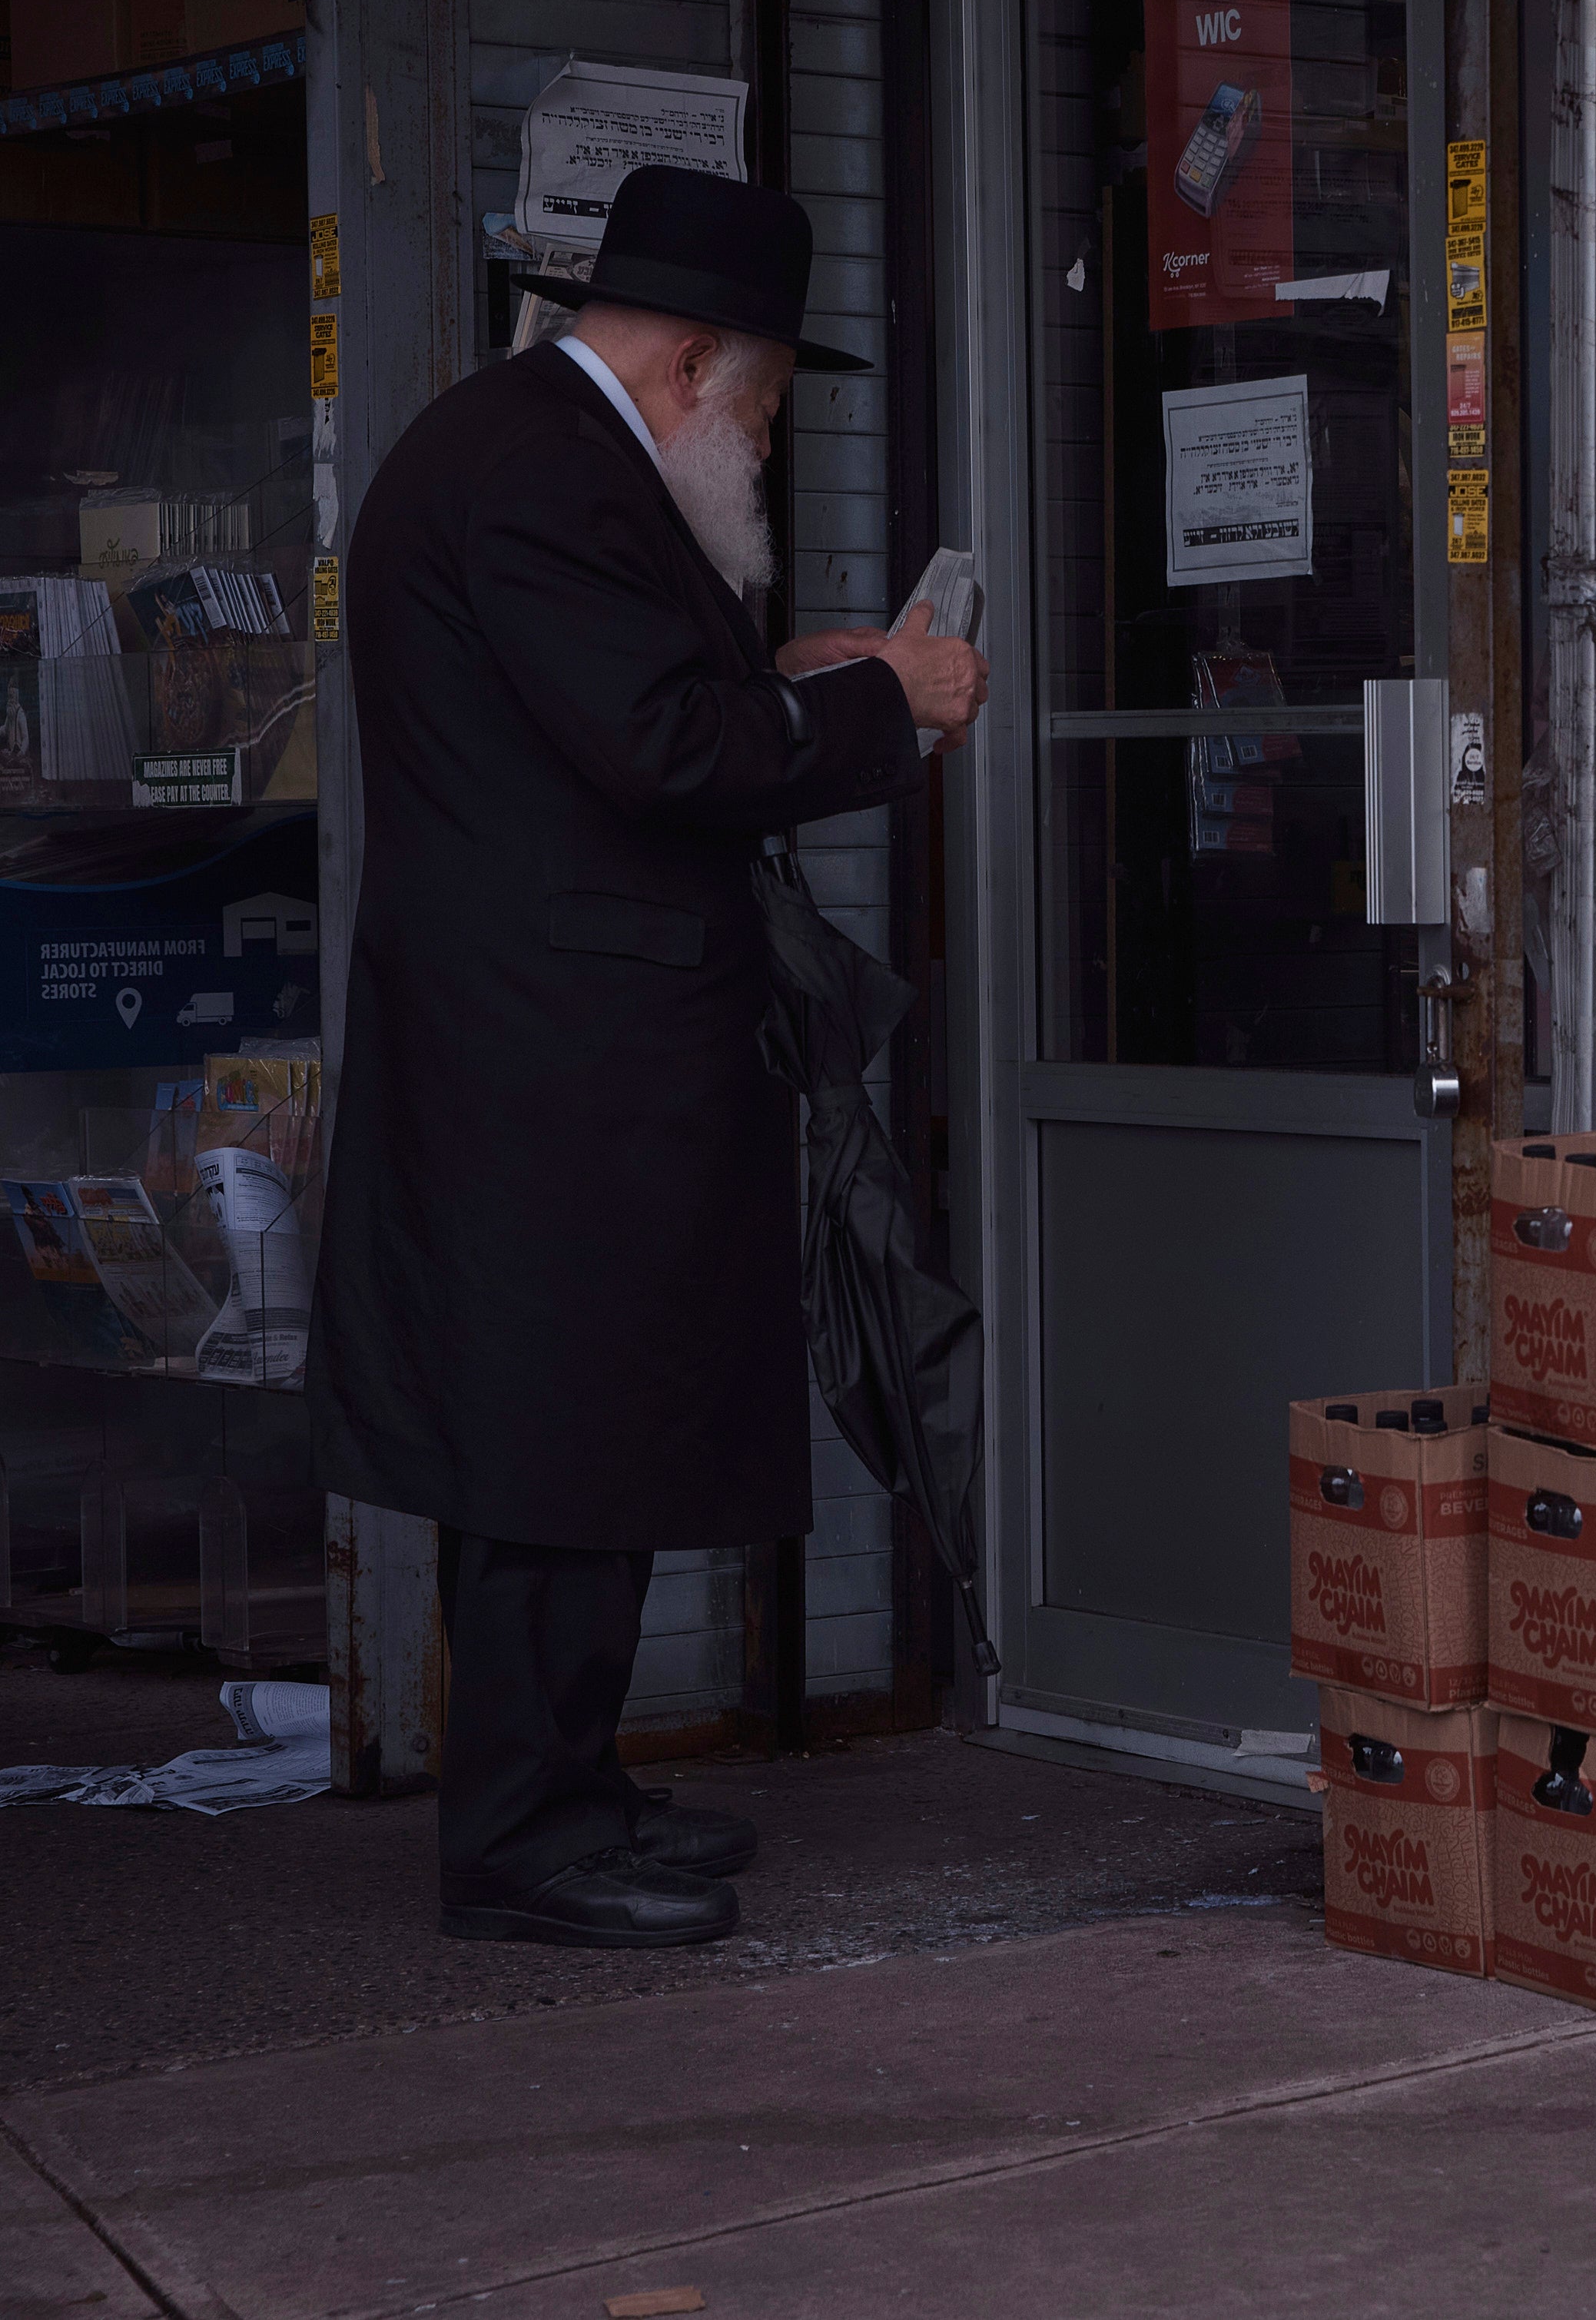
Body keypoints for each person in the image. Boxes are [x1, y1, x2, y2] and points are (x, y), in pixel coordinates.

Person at [311, 165, 988, 1950]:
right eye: (761, 409)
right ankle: (525, 1832)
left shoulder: (527, 449)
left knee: (581, 1429)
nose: (757, 449)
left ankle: (570, 1783)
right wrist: (880, 709)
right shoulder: (540, 468)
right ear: (696, 361)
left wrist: (807, 667)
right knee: (553, 1438)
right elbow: (654, 750)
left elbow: (616, 701)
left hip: (560, 1043)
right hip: (553, 1055)